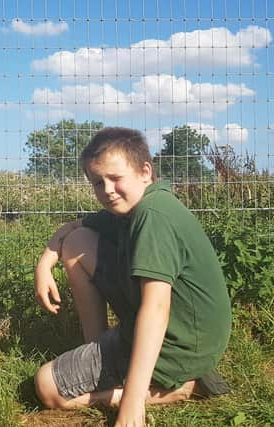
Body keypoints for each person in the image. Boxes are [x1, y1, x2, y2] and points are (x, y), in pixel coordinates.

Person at [33, 127, 231, 426]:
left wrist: (132, 401)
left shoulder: (153, 216)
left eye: (115, 178)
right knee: (78, 243)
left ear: (145, 171)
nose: (107, 189)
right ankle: (100, 351)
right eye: (98, 182)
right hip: (191, 334)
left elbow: (156, 308)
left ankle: (178, 387)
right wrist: (45, 263)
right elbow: (72, 230)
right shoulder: (135, 207)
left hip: (178, 343)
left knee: (48, 388)